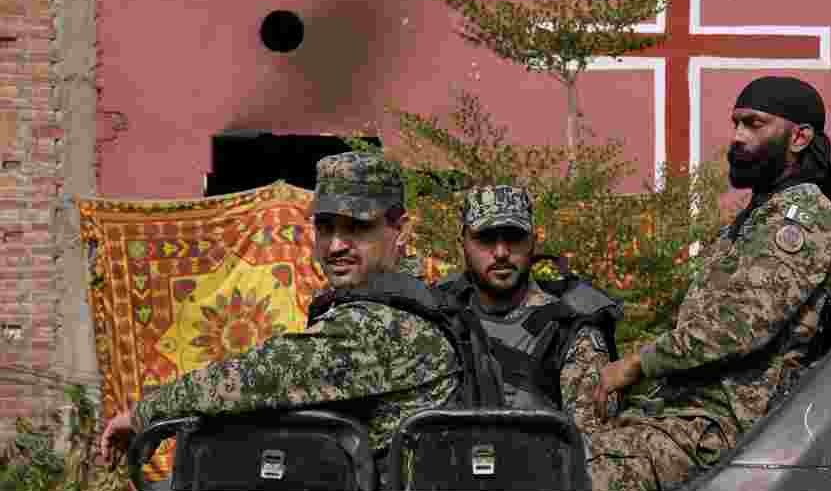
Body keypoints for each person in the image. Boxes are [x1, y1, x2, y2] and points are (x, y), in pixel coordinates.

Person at [98, 152, 464, 465]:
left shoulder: (383, 324)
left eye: (357, 227)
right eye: (325, 227)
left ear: (401, 230)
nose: (336, 245)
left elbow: (255, 377)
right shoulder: (409, 300)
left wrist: (145, 413)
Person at [586, 75, 831, 491]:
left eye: (754, 124)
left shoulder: (803, 218)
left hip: (733, 428)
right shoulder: (761, 214)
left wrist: (637, 363)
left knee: (584, 479)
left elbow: (738, 325)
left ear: (799, 137)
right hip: (685, 412)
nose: (737, 137)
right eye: (736, 123)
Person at [437, 185, 622, 442]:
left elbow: (590, 449)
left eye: (514, 237)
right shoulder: (437, 316)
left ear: (533, 241)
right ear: (463, 244)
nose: (501, 252)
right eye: (486, 238)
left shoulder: (570, 330)